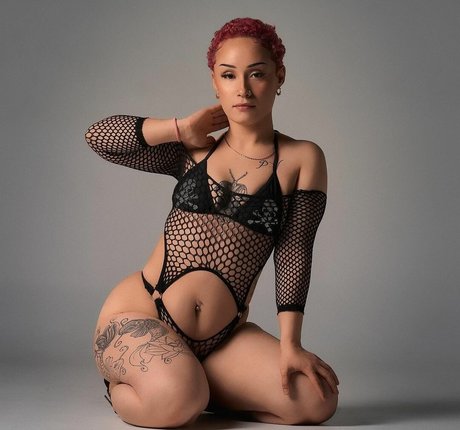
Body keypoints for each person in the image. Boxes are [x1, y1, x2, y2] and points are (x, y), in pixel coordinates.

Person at [86, 17, 339, 428]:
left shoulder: (302, 159)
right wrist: (180, 128)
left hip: (224, 339)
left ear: (279, 76)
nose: (243, 89)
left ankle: (193, 384)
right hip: (145, 312)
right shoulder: (193, 152)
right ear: (215, 83)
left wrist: (290, 344)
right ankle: (149, 389)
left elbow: (295, 251)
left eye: (257, 74)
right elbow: (99, 137)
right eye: (229, 75)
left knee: (317, 401)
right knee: (176, 402)